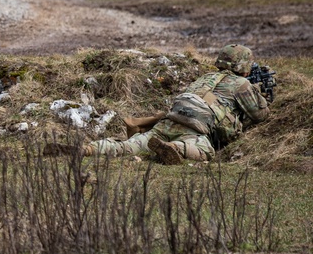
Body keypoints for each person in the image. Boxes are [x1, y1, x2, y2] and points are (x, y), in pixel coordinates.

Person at [86, 44, 270, 164]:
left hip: (172, 118)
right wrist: (259, 94)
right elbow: (260, 115)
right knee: (204, 151)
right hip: (196, 125)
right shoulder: (242, 84)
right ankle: (175, 147)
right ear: (244, 66)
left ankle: (89, 148)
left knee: (131, 145)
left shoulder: (205, 77)